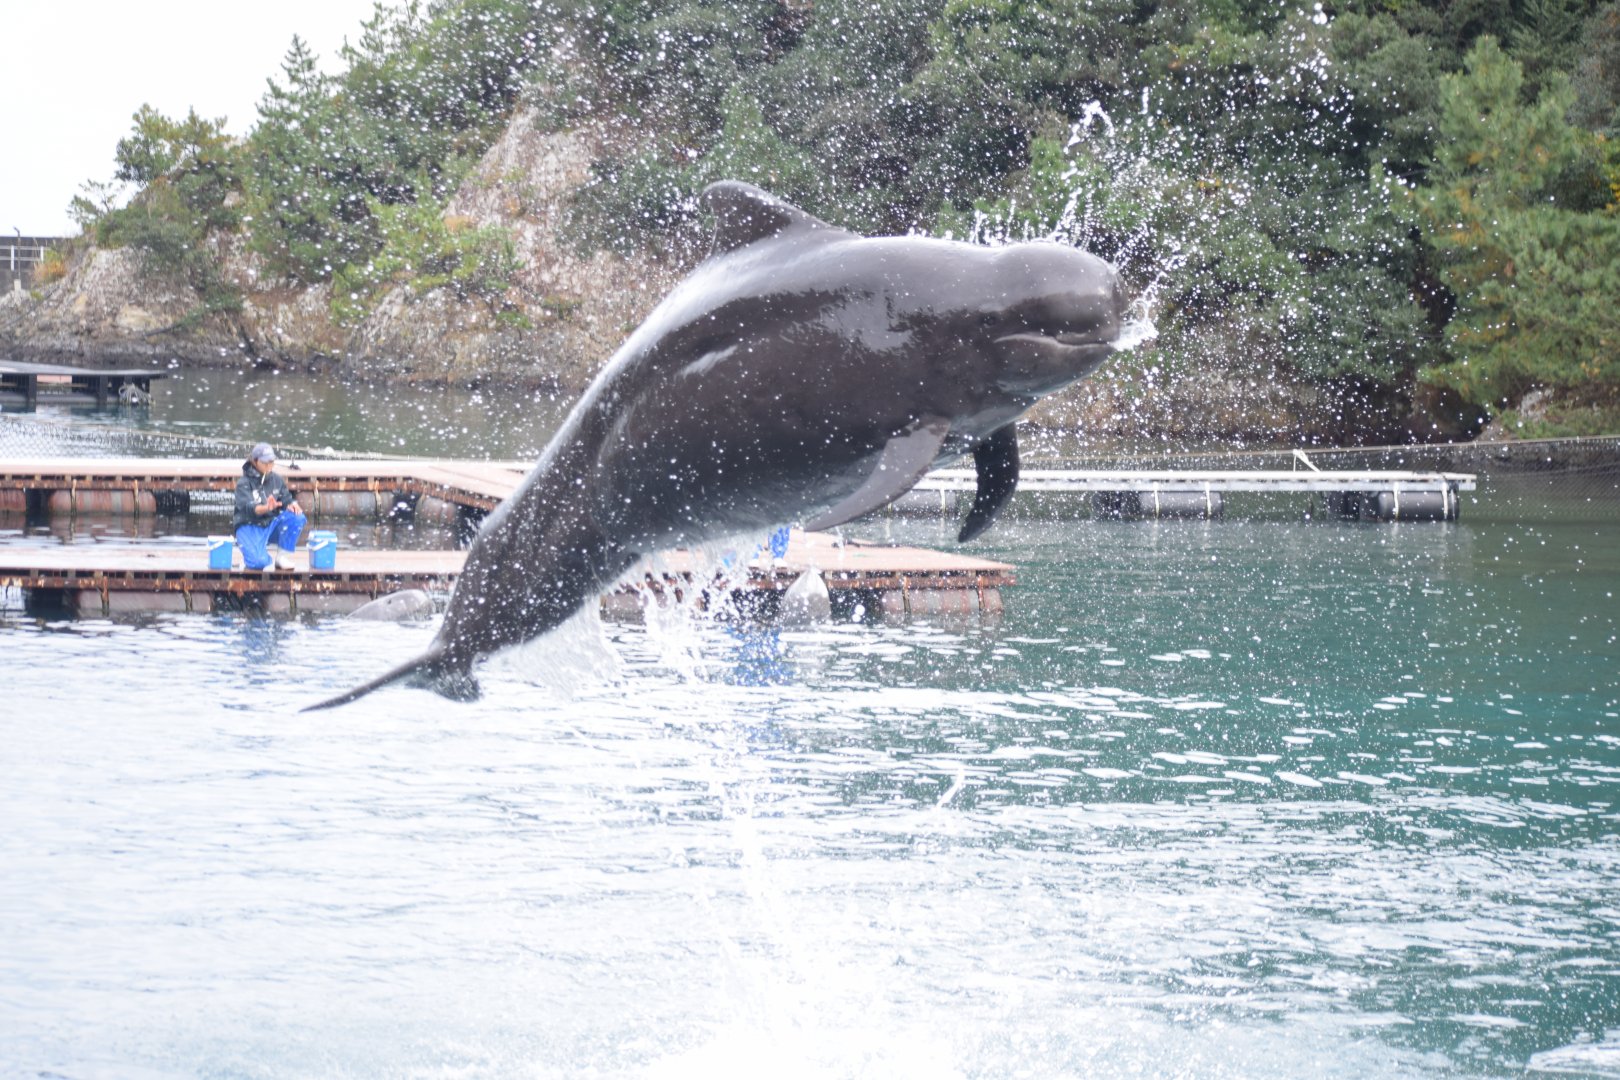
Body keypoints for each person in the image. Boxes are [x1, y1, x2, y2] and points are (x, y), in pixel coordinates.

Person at [233, 443, 306, 571]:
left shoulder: (277, 479)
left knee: (297, 517)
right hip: (249, 525)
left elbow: (286, 499)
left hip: (270, 523)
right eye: (265, 462)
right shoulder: (243, 483)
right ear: (255, 461)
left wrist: (293, 505)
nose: (269, 465)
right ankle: (255, 554)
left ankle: (282, 557)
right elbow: (249, 509)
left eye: (271, 462)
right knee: (257, 563)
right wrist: (266, 507)